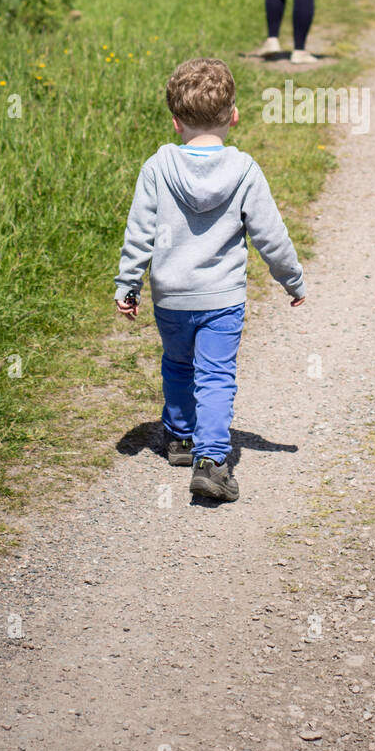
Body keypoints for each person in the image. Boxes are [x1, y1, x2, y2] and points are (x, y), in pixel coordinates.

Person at [114, 58, 306, 502]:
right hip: (222, 299)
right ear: (233, 116)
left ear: (175, 121)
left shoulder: (157, 168)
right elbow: (270, 236)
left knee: (178, 365)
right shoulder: (244, 171)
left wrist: (128, 284)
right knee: (215, 376)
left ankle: (180, 438)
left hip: (171, 298)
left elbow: (139, 233)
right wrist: (291, 279)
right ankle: (212, 460)